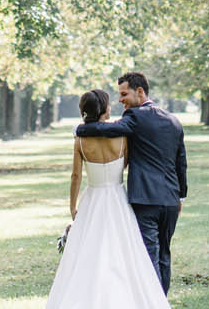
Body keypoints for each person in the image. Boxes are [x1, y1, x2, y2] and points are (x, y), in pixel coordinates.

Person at [30, 88, 183, 309]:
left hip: (92, 200)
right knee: (123, 255)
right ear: (105, 109)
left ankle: (85, 305)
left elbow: (76, 176)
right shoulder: (122, 138)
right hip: (117, 200)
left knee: (88, 256)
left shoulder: (80, 139)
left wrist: (72, 207)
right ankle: (126, 305)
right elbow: (126, 164)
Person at [72, 70, 187, 293]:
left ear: (140, 91)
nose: (120, 100)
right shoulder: (173, 120)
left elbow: (108, 129)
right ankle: (162, 304)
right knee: (164, 253)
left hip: (145, 198)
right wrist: (181, 195)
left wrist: (80, 128)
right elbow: (181, 162)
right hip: (171, 200)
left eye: (124, 94)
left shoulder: (133, 117)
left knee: (148, 254)